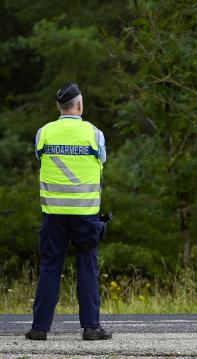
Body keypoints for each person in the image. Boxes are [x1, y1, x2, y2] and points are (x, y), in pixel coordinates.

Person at [24, 82, 112, 341]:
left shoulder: (44, 133)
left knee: (50, 267)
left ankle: (39, 329)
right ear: (80, 104)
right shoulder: (94, 134)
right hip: (85, 213)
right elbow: (102, 160)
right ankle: (91, 328)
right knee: (87, 267)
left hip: (54, 213)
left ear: (58, 107)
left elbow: (40, 156)